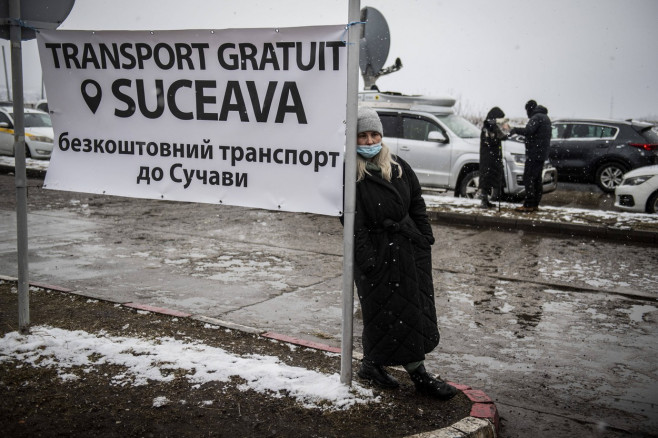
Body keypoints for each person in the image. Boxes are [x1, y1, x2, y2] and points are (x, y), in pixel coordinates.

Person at [348, 106, 457, 400]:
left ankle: (371, 364)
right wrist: (368, 262)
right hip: (377, 254)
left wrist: (424, 236)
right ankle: (419, 374)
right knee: (387, 314)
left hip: (407, 249)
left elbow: (416, 202)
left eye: (374, 135)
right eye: (362, 136)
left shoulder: (398, 166)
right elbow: (352, 224)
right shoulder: (349, 174)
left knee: (408, 313)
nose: (369, 141)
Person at [510, 100, 552, 212]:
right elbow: (537, 135)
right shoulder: (545, 118)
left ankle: (528, 205)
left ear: (529, 109)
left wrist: (515, 130)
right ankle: (535, 204)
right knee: (537, 179)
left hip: (534, 153)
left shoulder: (536, 117)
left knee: (529, 178)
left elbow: (529, 130)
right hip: (541, 154)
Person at [479, 107, 509, 209]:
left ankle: (487, 200)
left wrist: (505, 131)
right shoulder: (486, 128)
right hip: (487, 157)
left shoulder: (494, 127)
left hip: (495, 156)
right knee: (486, 178)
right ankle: (484, 200)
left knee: (494, 177)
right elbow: (489, 141)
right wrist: (497, 138)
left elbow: (503, 136)